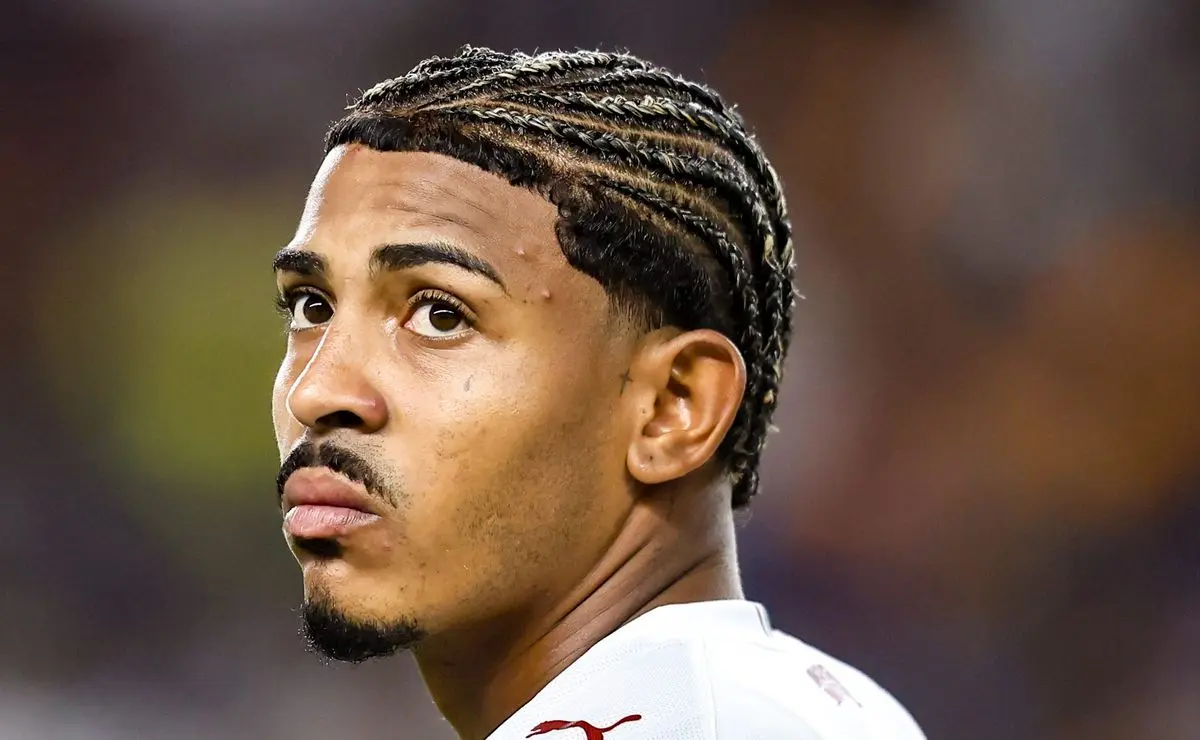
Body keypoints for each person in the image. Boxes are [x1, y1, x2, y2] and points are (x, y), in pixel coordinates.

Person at [270, 46, 924, 740]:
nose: (317, 392)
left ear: (673, 406)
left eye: (440, 315)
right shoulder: (805, 706)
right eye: (312, 307)